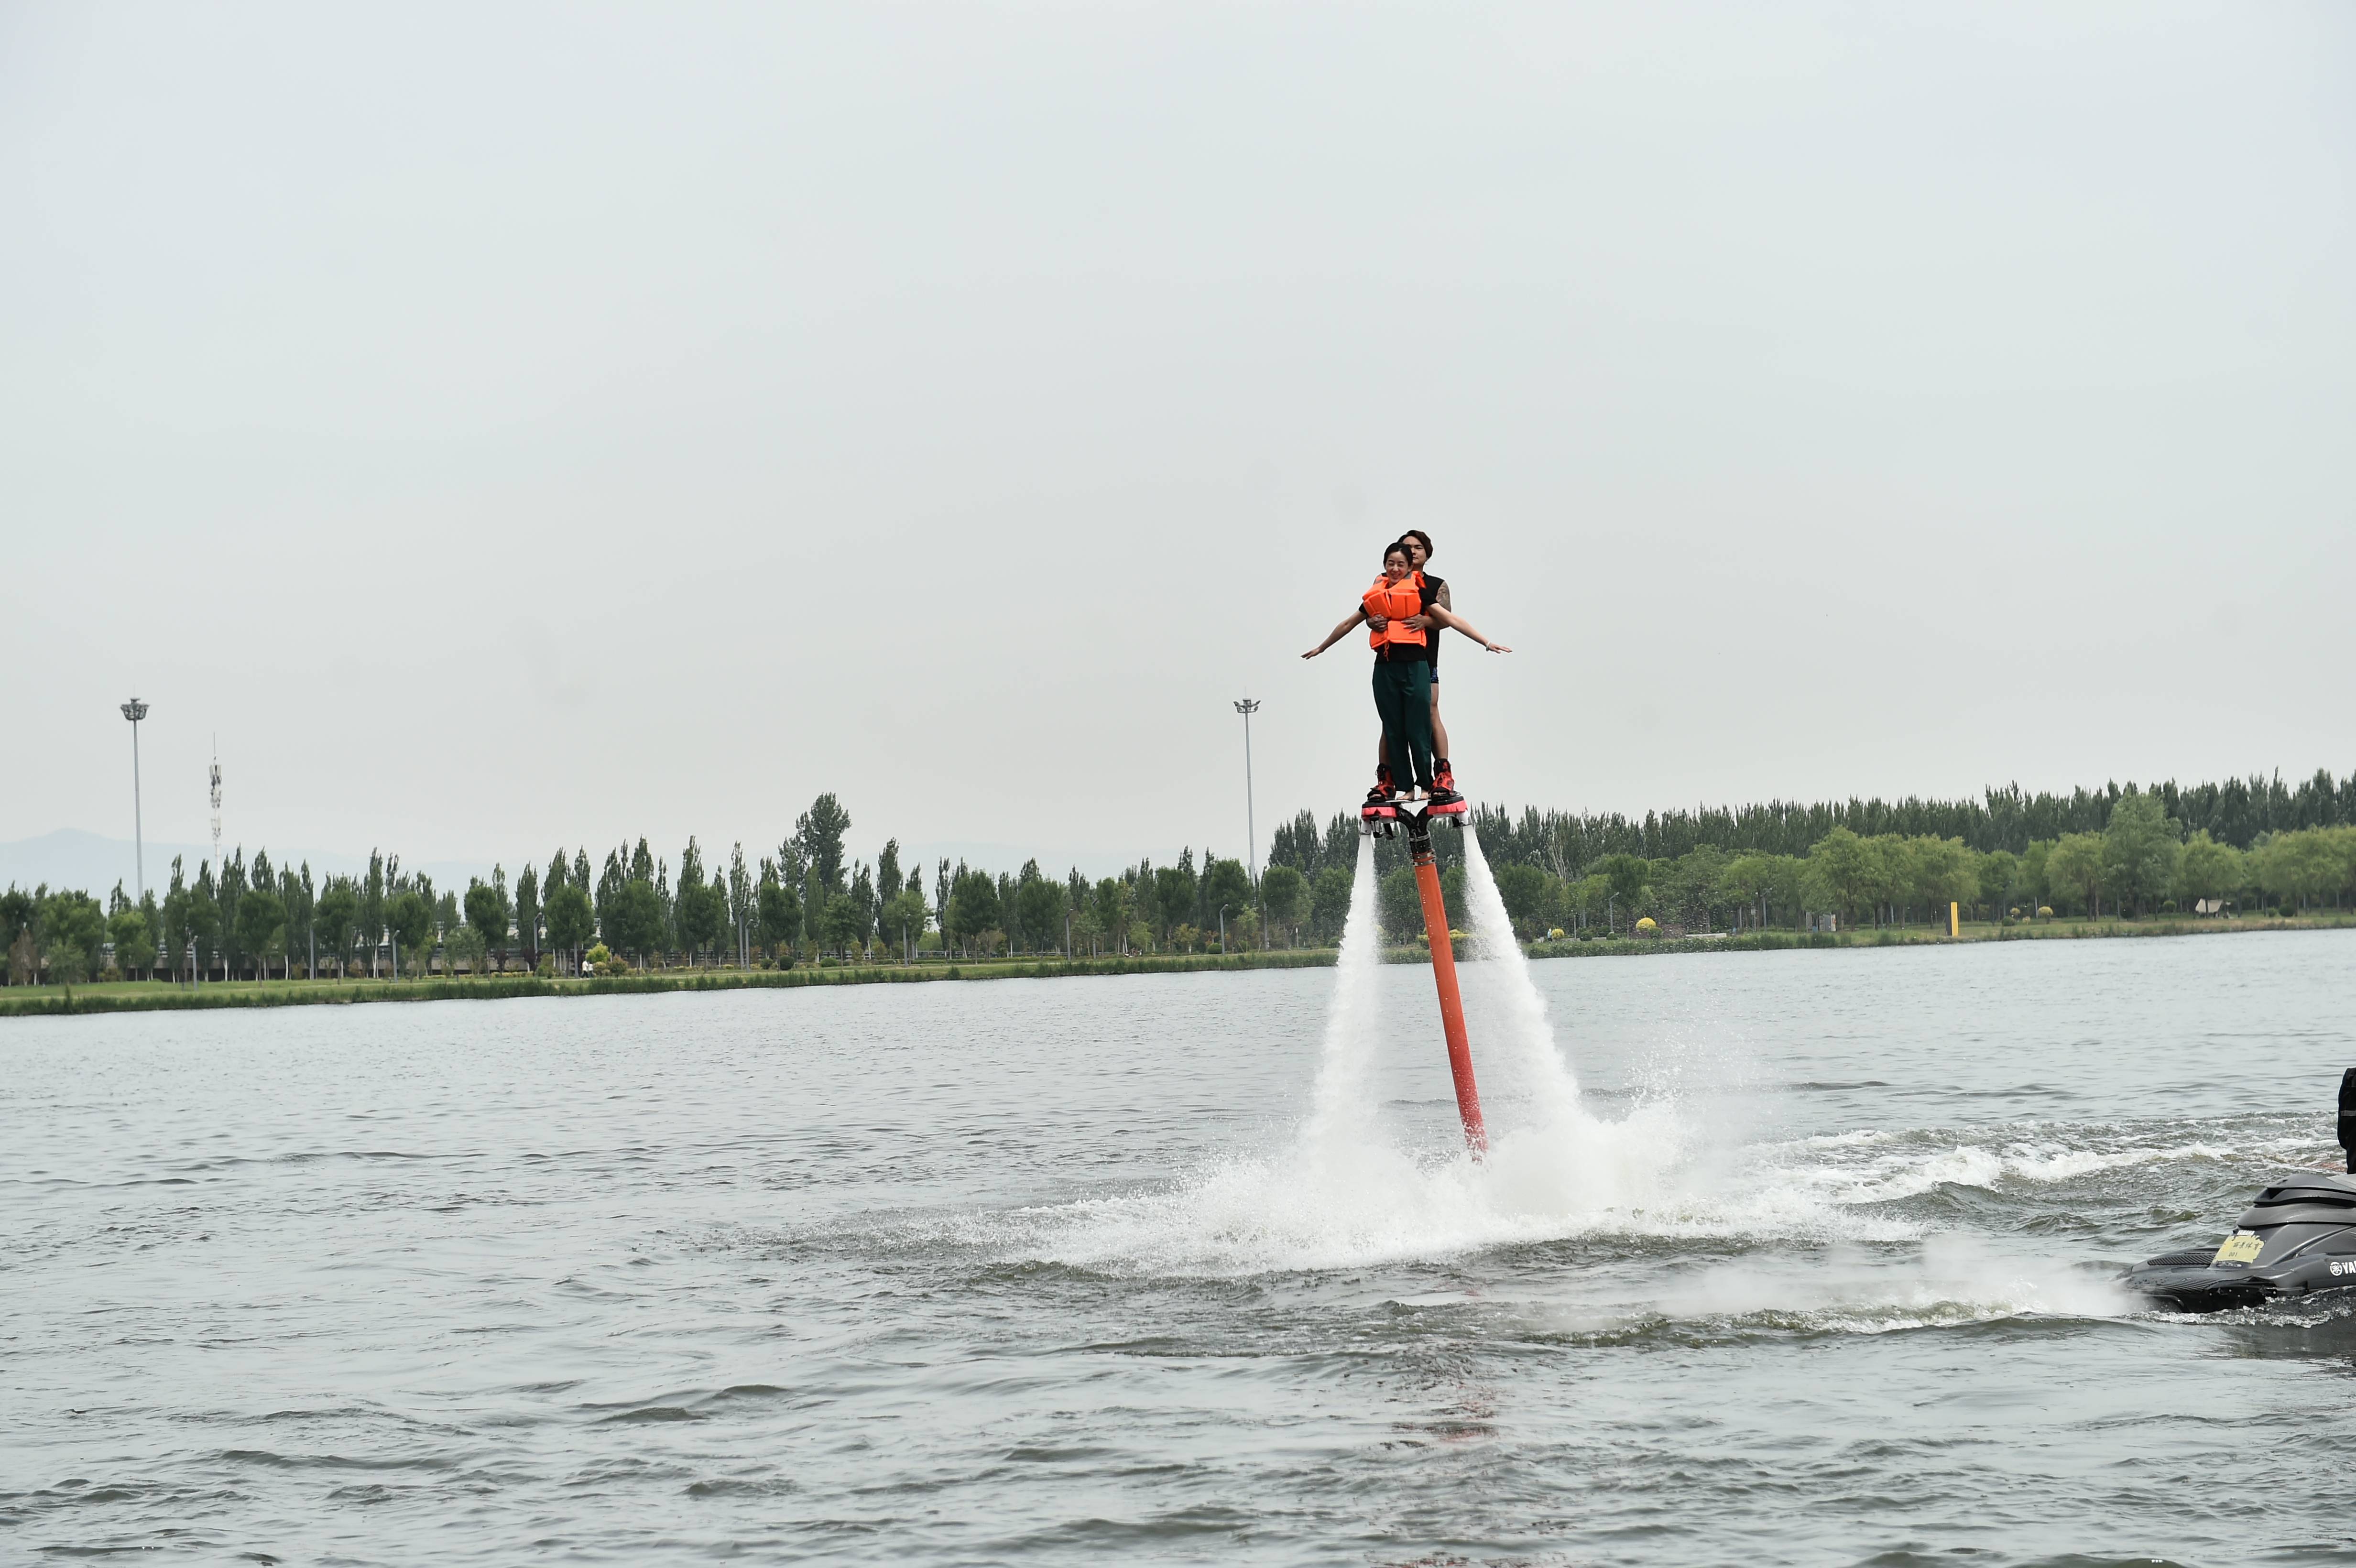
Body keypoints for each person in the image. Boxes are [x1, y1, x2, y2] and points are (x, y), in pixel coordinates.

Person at [1301, 541, 1511, 815]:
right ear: (1384, 565)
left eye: (1401, 564)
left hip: (1416, 666)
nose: (1395, 569)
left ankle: (1426, 783)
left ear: (1409, 566)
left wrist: (1486, 642)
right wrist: (1322, 647)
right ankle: (1405, 787)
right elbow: (1348, 623)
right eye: (1391, 564)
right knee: (1393, 728)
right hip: (1385, 668)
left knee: (1418, 725)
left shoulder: (1419, 591)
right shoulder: (1377, 595)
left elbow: (1452, 620)